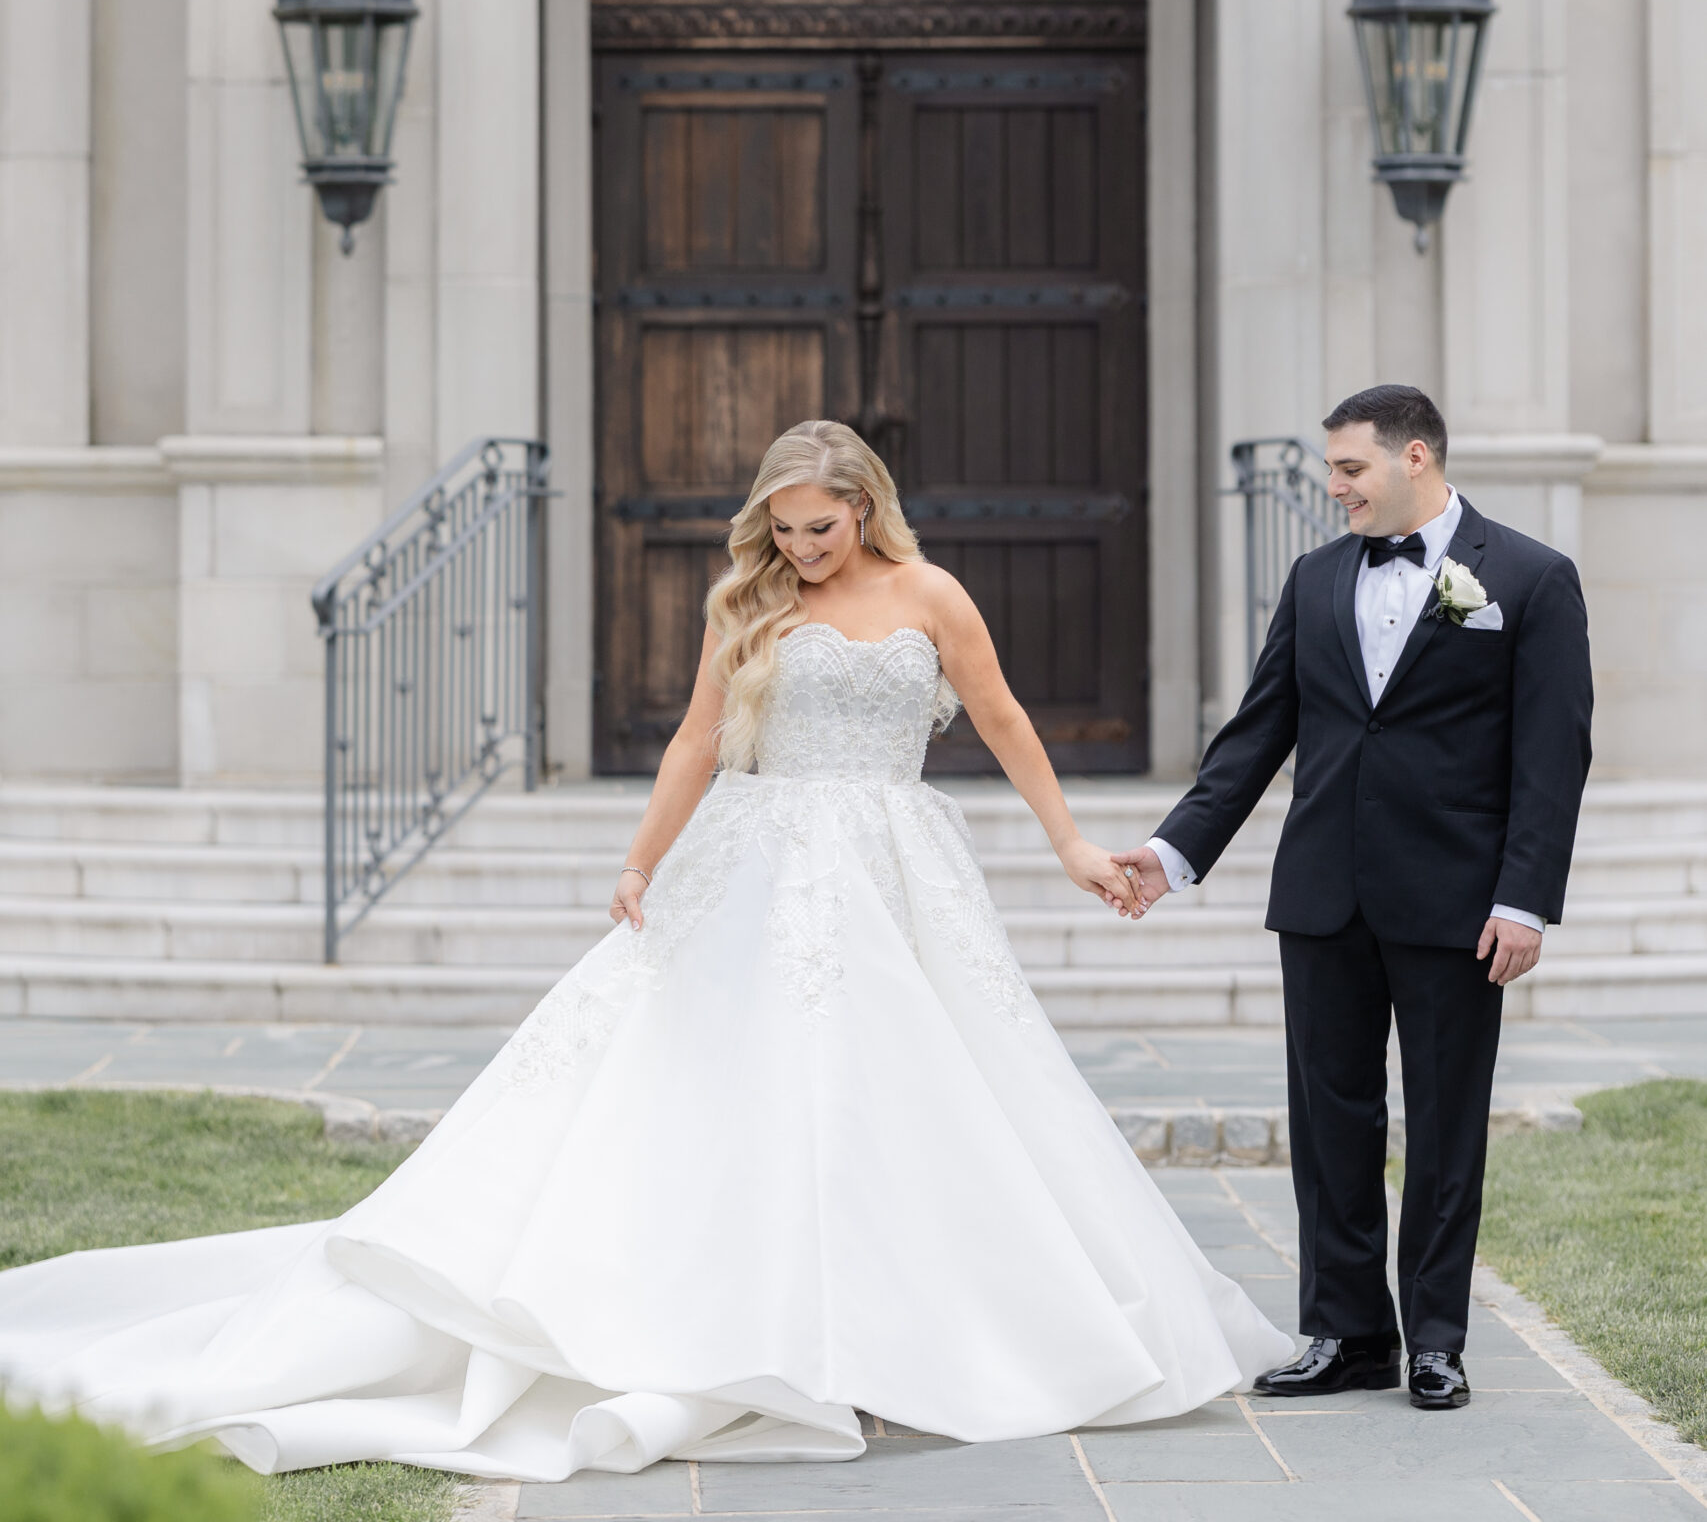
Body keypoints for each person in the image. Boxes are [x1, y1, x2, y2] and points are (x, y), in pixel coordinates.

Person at [0, 419, 1288, 1483]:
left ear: (865, 506)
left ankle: (926, 1326)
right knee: (745, 1092)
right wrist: (639, 860)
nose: (799, 548)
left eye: (819, 527)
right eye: (782, 530)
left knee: (927, 1095)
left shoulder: (932, 594)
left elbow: (1002, 719)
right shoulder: (752, 601)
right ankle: (756, 1319)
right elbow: (691, 741)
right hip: (760, 861)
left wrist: (1071, 849)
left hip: (898, 867)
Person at [1123, 384, 1593, 1412]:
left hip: (1457, 899)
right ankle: (1347, 1330)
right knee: (1330, 1120)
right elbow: (1259, 732)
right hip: (1324, 893)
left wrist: (1525, 898)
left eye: (1349, 469)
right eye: (1332, 469)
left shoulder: (1531, 577)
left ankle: (1434, 1337)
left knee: (1444, 1123)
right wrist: (1175, 851)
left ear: (1414, 456)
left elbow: (1553, 755)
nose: (1335, 489)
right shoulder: (1316, 575)